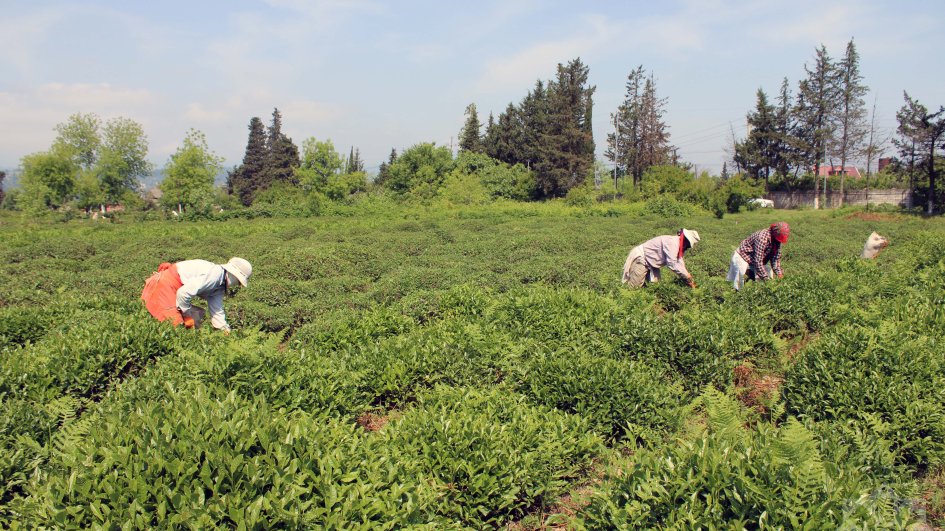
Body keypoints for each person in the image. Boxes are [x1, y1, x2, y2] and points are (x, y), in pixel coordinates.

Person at [141, 257, 252, 332]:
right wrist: (187, 316)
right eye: (239, 281)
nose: (237, 285)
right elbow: (183, 293)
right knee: (176, 328)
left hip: (175, 290)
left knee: (197, 316)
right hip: (166, 286)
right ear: (233, 275)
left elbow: (217, 313)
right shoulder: (215, 275)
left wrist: (227, 332)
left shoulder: (220, 285)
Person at [622, 229, 701, 288]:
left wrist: (687, 276)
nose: (688, 247)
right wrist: (686, 276)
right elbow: (672, 263)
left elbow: (679, 261)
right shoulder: (673, 243)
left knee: (654, 285)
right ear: (686, 240)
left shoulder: (678, 245)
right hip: (642, 259)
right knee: (634, 287)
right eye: (688, 245)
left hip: (652, 263)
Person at [727, 222, 788, 290]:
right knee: (740, 276)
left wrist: (779, 274)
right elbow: (758, 261)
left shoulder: (777, 241)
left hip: (754, 260)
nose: (778, 242)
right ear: (774, 233)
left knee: (768, 271)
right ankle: (736, 294)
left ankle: (761, 292)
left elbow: (775, 260)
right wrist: (766, 278)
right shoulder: (762, 238)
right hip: (742, 256)